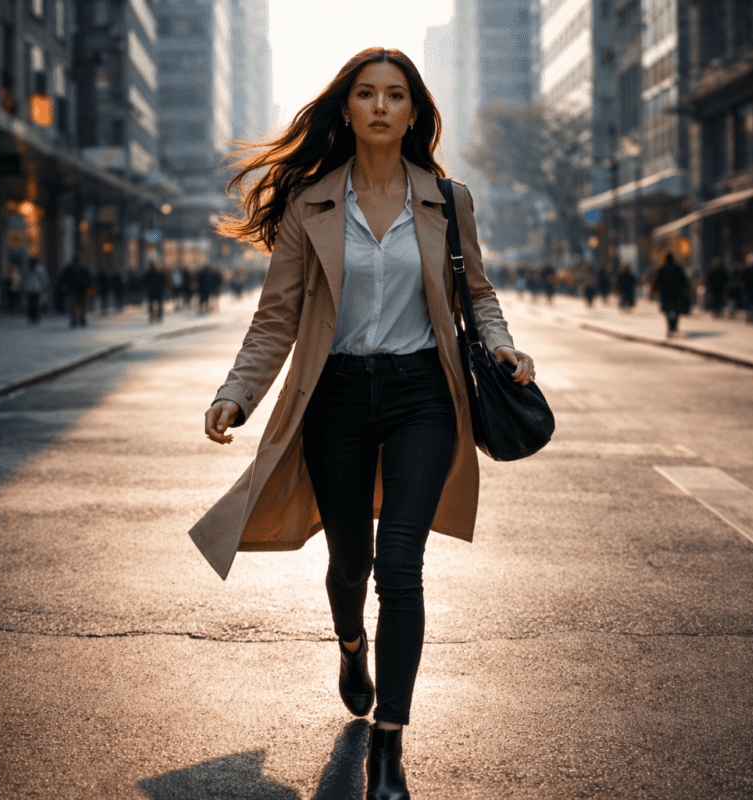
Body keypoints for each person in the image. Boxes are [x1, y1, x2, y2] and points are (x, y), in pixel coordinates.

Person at [191, 48, 534, 800]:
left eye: (395, 95)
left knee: (401, 563)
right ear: (346, 109)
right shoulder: (311, 204)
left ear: (414, 112)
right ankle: (352, 646)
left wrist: (503, 346)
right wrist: (235, 393)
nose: (380, 106)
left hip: (422, 396)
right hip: (336, 400)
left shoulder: (448, 198)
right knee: (352, 560)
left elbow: (478, 293)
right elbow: (275, 319)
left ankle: (390, 749)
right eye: (366, 94)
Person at [654, 252, 690, 338]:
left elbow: (657, 281)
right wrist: (686, 289)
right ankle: (674, 327)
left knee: (667, 311)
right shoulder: (678, 268)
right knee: (677, 311)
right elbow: (684, 280)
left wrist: (655, 290)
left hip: (665, 294)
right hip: (677, 294)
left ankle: (670, 328)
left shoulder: (662, 269)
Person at [59, 256, 94, 328]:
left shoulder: (69, 268)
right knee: (82, 305)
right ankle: (81, 319)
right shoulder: (83, 268)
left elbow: (62, 278)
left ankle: (76, 319)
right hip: (81, 289)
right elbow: (90, 278)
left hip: (73, 289)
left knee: (73, 305)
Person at [22, 257, 49, 324]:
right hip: (35, 288)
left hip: (31, 288)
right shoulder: (39, 268)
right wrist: (45, 285)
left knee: (32, 303)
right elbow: (44, 278)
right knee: (34, 303)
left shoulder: (27, 268)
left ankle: (32, 317)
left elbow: (23, 278)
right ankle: (34, 317)